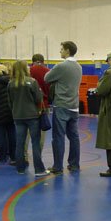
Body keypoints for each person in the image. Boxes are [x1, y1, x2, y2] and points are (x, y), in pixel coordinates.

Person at [45, 42, 82, 174]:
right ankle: (74, 164)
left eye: (61, 49)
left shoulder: (61, 66)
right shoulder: (79, 67)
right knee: (74, 137)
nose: (60, 52)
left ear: (67, 51)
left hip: (61, 105)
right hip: (74, 106)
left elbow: (46, 78)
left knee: (58, 137)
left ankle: (58, 167)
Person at [8, 60, 49, 177]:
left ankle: (20, 168)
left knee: (20, 143)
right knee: (35, 142)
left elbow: (9, 101)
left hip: (18, 116)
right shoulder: (32, 82)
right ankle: (39, 169)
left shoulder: (11, 84)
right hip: (32, 116)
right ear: (25, 69)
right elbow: (38, 98)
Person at [29, 53, 51, 152]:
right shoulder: (48, 71)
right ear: (43, 61)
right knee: (42, 131)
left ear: (32, 61)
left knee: (27, 132)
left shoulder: (29, 71)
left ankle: (24, 155)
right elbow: (51, 89)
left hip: (29, 104)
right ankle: (38, 154)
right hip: (44, 104)